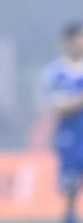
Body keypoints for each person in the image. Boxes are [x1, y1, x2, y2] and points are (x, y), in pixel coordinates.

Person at [44, 23, 83, 223]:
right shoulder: (56, 72)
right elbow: (56, 105)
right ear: (68, 42)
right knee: (70, 190)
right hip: (69, 138)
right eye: (79, 39)